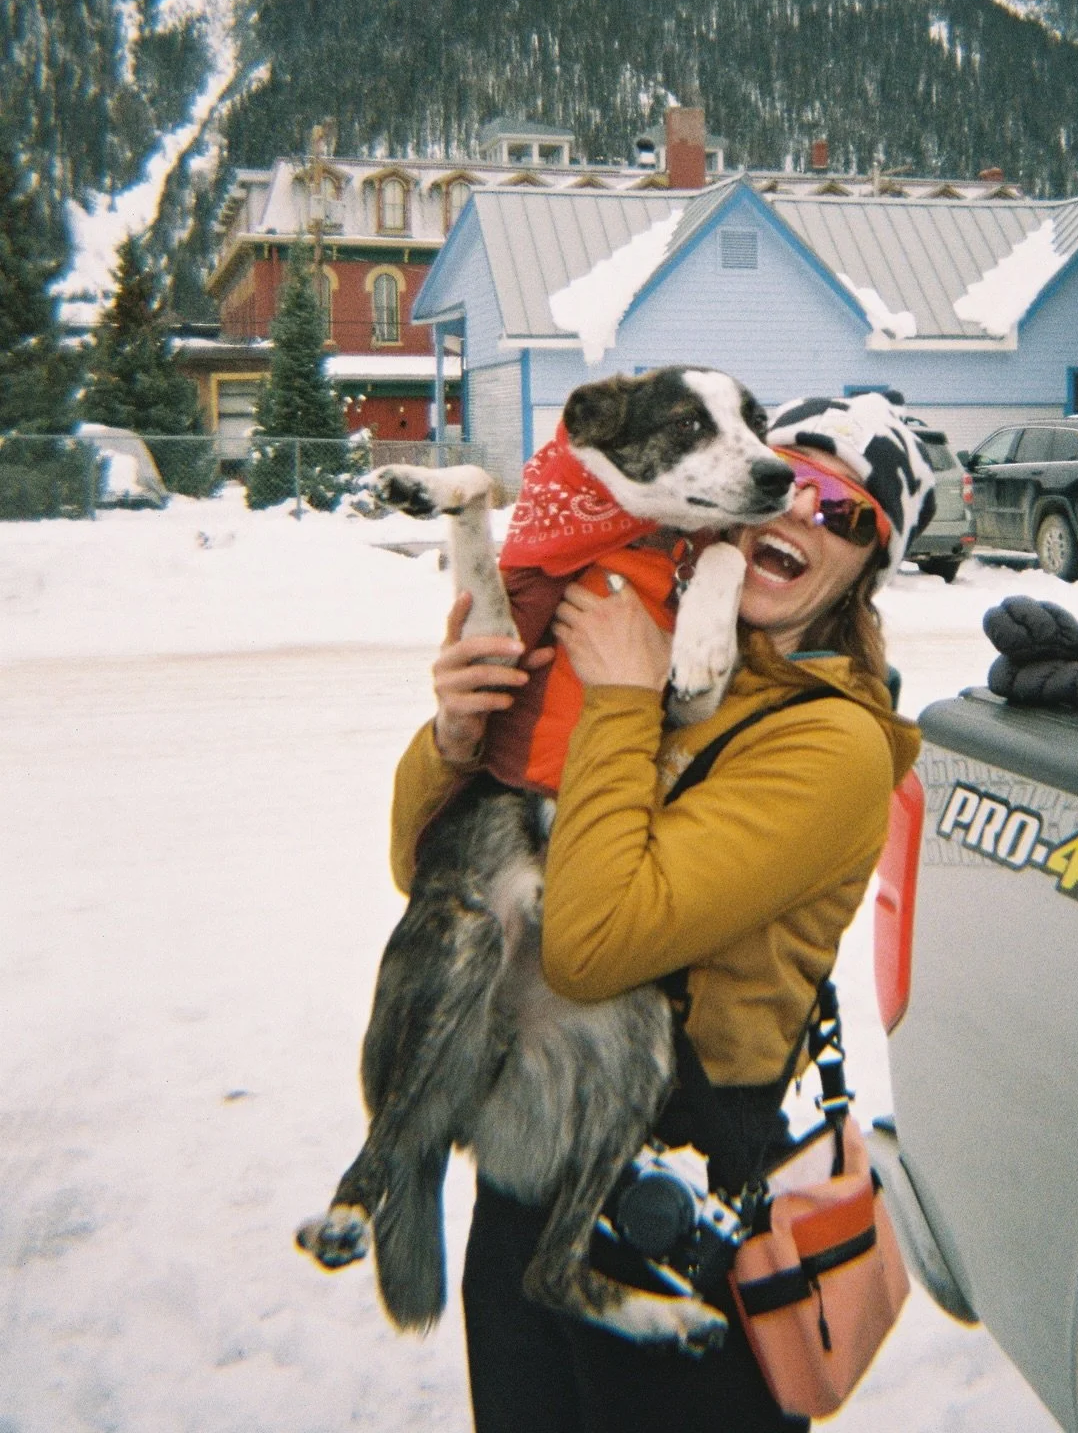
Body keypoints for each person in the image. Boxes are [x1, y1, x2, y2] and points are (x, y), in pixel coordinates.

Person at [388, 393, 936, 1433]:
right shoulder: (666, 646)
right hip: (527, 1164)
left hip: (671, 1202)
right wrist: (456, 743)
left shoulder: (828, 744)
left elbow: (593, 946)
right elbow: (426, 878)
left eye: (848, 513)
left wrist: (621, 701)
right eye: (789, 479)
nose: (800, 515)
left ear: (872, 564)